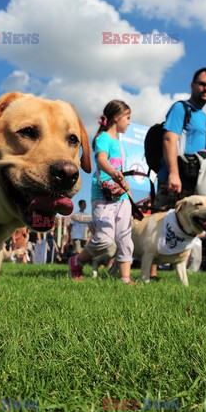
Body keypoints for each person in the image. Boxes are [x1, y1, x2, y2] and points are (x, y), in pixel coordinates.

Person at [154, 67, 206, 269]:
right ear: (192, 85)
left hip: (202, 183)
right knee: (160, 223)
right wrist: (173, 173)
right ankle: (149, 274)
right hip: (177, 178)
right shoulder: (181, 109)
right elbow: (170, 139)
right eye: (203, 84)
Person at [69, 99, 136, 284]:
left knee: (125, 237)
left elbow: (123, 174)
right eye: (127, 118)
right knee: (104, 239)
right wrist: (114, 173)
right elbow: (101, 160)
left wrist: (129, 195)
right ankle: (77, 260)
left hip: (122, 197)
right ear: (116, 117)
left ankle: (125, 278)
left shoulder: (121, 144)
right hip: (103, 197)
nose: (129, 122)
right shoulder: (102, 139)